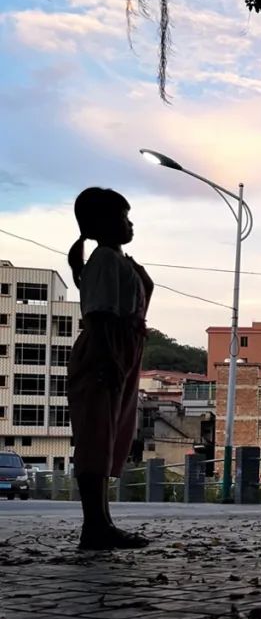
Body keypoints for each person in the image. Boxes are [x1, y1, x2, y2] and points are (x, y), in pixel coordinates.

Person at [66, 188, 153, 550]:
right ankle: (95, 525)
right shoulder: (103, 259)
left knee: (111, 434)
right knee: (96, 434)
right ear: (100, 223)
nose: (129, 223)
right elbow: (100, 314)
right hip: (107, 349)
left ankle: (101, 522)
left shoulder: (117, 260)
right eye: (122, 217)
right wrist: (110, 360)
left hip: (124, 349)